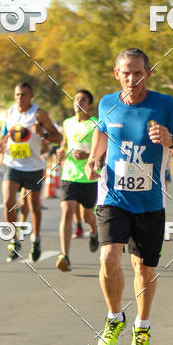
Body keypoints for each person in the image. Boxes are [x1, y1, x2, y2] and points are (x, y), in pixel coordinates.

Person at [85, 48, 173, 345]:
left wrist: (171, 140)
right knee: (108, 257)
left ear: (148, 73)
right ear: (116, 74)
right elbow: (101, 135)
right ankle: (113, 317)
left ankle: (142, 327)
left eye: (137, 72)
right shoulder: (107, 103)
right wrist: (94, 158)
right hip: (112, 197)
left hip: (149, 202)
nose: (131, 79)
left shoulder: (165, 105)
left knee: (143, 268)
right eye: (126, 73)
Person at [0, 81, 61, 262]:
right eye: (17, 94)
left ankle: (36, 239)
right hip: (12, 164)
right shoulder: (9, 112)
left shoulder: (39, 114)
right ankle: (13, 239)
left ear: (31, 96)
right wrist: (0, 143)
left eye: (23, 95)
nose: (19, 98)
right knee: (8, 202)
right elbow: (6, 132)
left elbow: (58, 137)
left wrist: (43, 134)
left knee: (34, 205)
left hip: (33, 167)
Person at [56, 89, 100, 272]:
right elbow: (64, 145)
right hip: (70, 176)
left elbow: (103, 151)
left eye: (83, 100)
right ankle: (64, 256)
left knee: (86, 216)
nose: (78, 102)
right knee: (67, 212)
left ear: (90, 105)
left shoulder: (96, 124)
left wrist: (87, 155)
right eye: (76, 99)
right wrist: (60, 153)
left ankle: (94, 231)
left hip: (89, 178)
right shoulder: (67, 123)